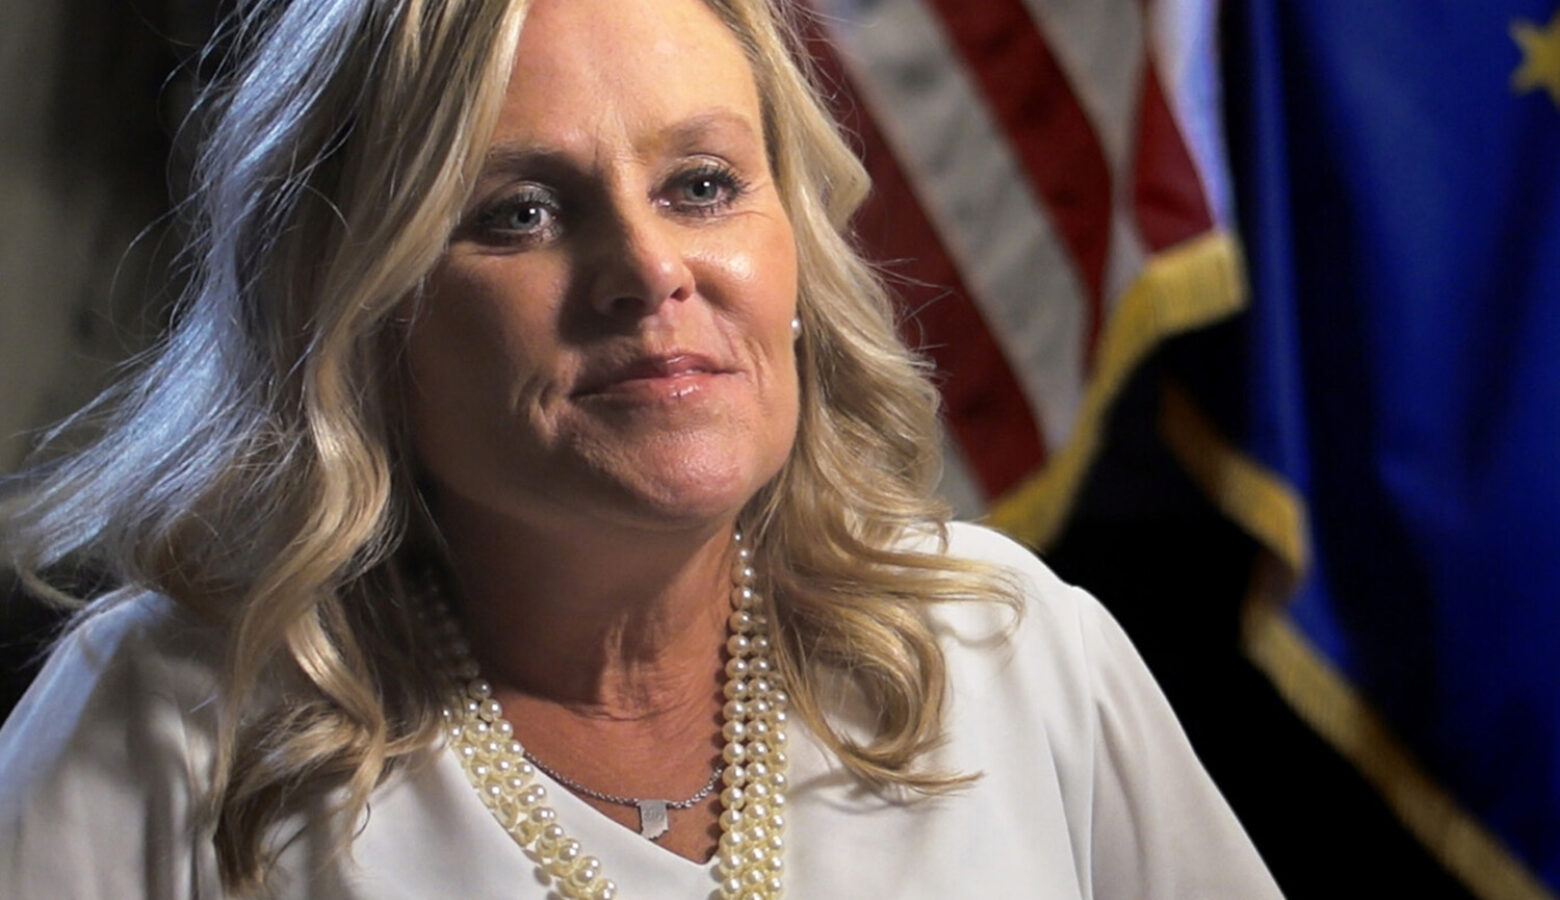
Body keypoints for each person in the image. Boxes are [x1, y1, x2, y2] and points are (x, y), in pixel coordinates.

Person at [0, 0, 1284, 897]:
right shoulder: (169, 720)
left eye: (704, 186)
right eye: (521, 211)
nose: (649, 270)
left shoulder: (1015, 648)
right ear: (361, 312)